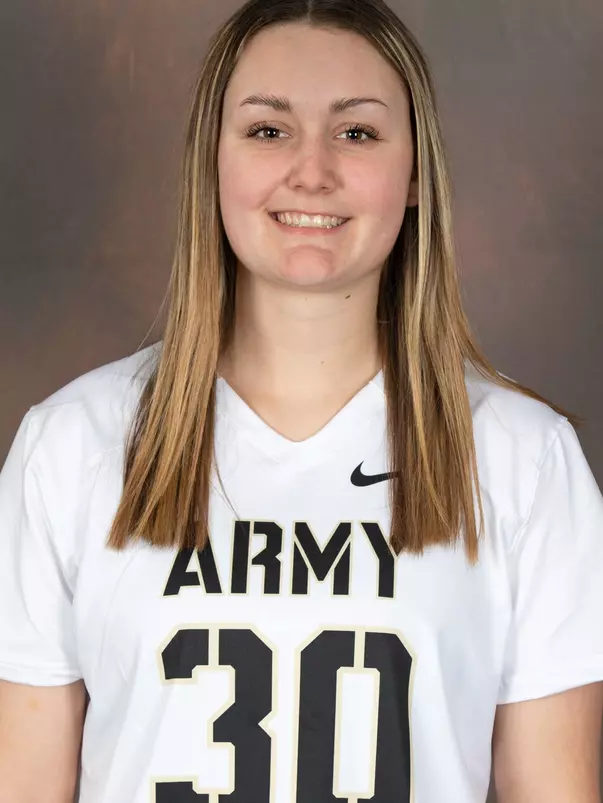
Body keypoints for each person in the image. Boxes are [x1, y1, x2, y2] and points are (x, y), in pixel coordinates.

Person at [1, 0, 603, 800]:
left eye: (356, 132)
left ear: (417, 170)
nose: (310, 170)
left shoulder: (526, 459)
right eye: (267, 129)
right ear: (211, 162)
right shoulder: (71, 445)